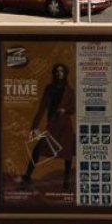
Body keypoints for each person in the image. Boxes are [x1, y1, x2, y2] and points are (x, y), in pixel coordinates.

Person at [20, 62, 74, 192]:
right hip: (53, 125)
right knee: (37, 150)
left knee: (67, 154)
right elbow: (42, 108)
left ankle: (66, 183)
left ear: (65, 73)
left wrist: (65, 110)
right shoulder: (50, 88)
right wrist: (34, 127)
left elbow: (74, 108)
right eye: (57, 71)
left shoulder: (70, 90)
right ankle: (27, 177)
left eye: (61, 71)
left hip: (65, 125)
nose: (59, 74)